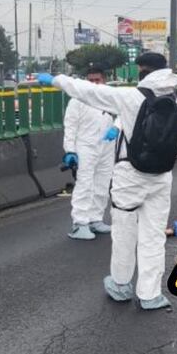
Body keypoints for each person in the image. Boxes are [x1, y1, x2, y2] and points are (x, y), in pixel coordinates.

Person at [44, 53, 177, 311]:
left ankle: (121, 285)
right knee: (154, 236)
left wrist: (57, 79)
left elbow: (87, 91)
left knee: (124, 232)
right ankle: (150, 294)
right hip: (161, 178)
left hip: (130, 176)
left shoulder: (130, 96)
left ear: (142, 71)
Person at [62, 66, 117, 241]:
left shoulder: (110, 98)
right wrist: (70, 151)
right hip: (85, 146)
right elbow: (70, 126)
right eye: (91, 80)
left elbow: (125, 114)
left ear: (104, 80)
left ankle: (95, 219)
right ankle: (79, 223)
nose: (94, 83)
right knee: (85, 184)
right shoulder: (78, 100)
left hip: (106, 146)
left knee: (102, 184)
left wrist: (116, 128)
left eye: (97, 80)